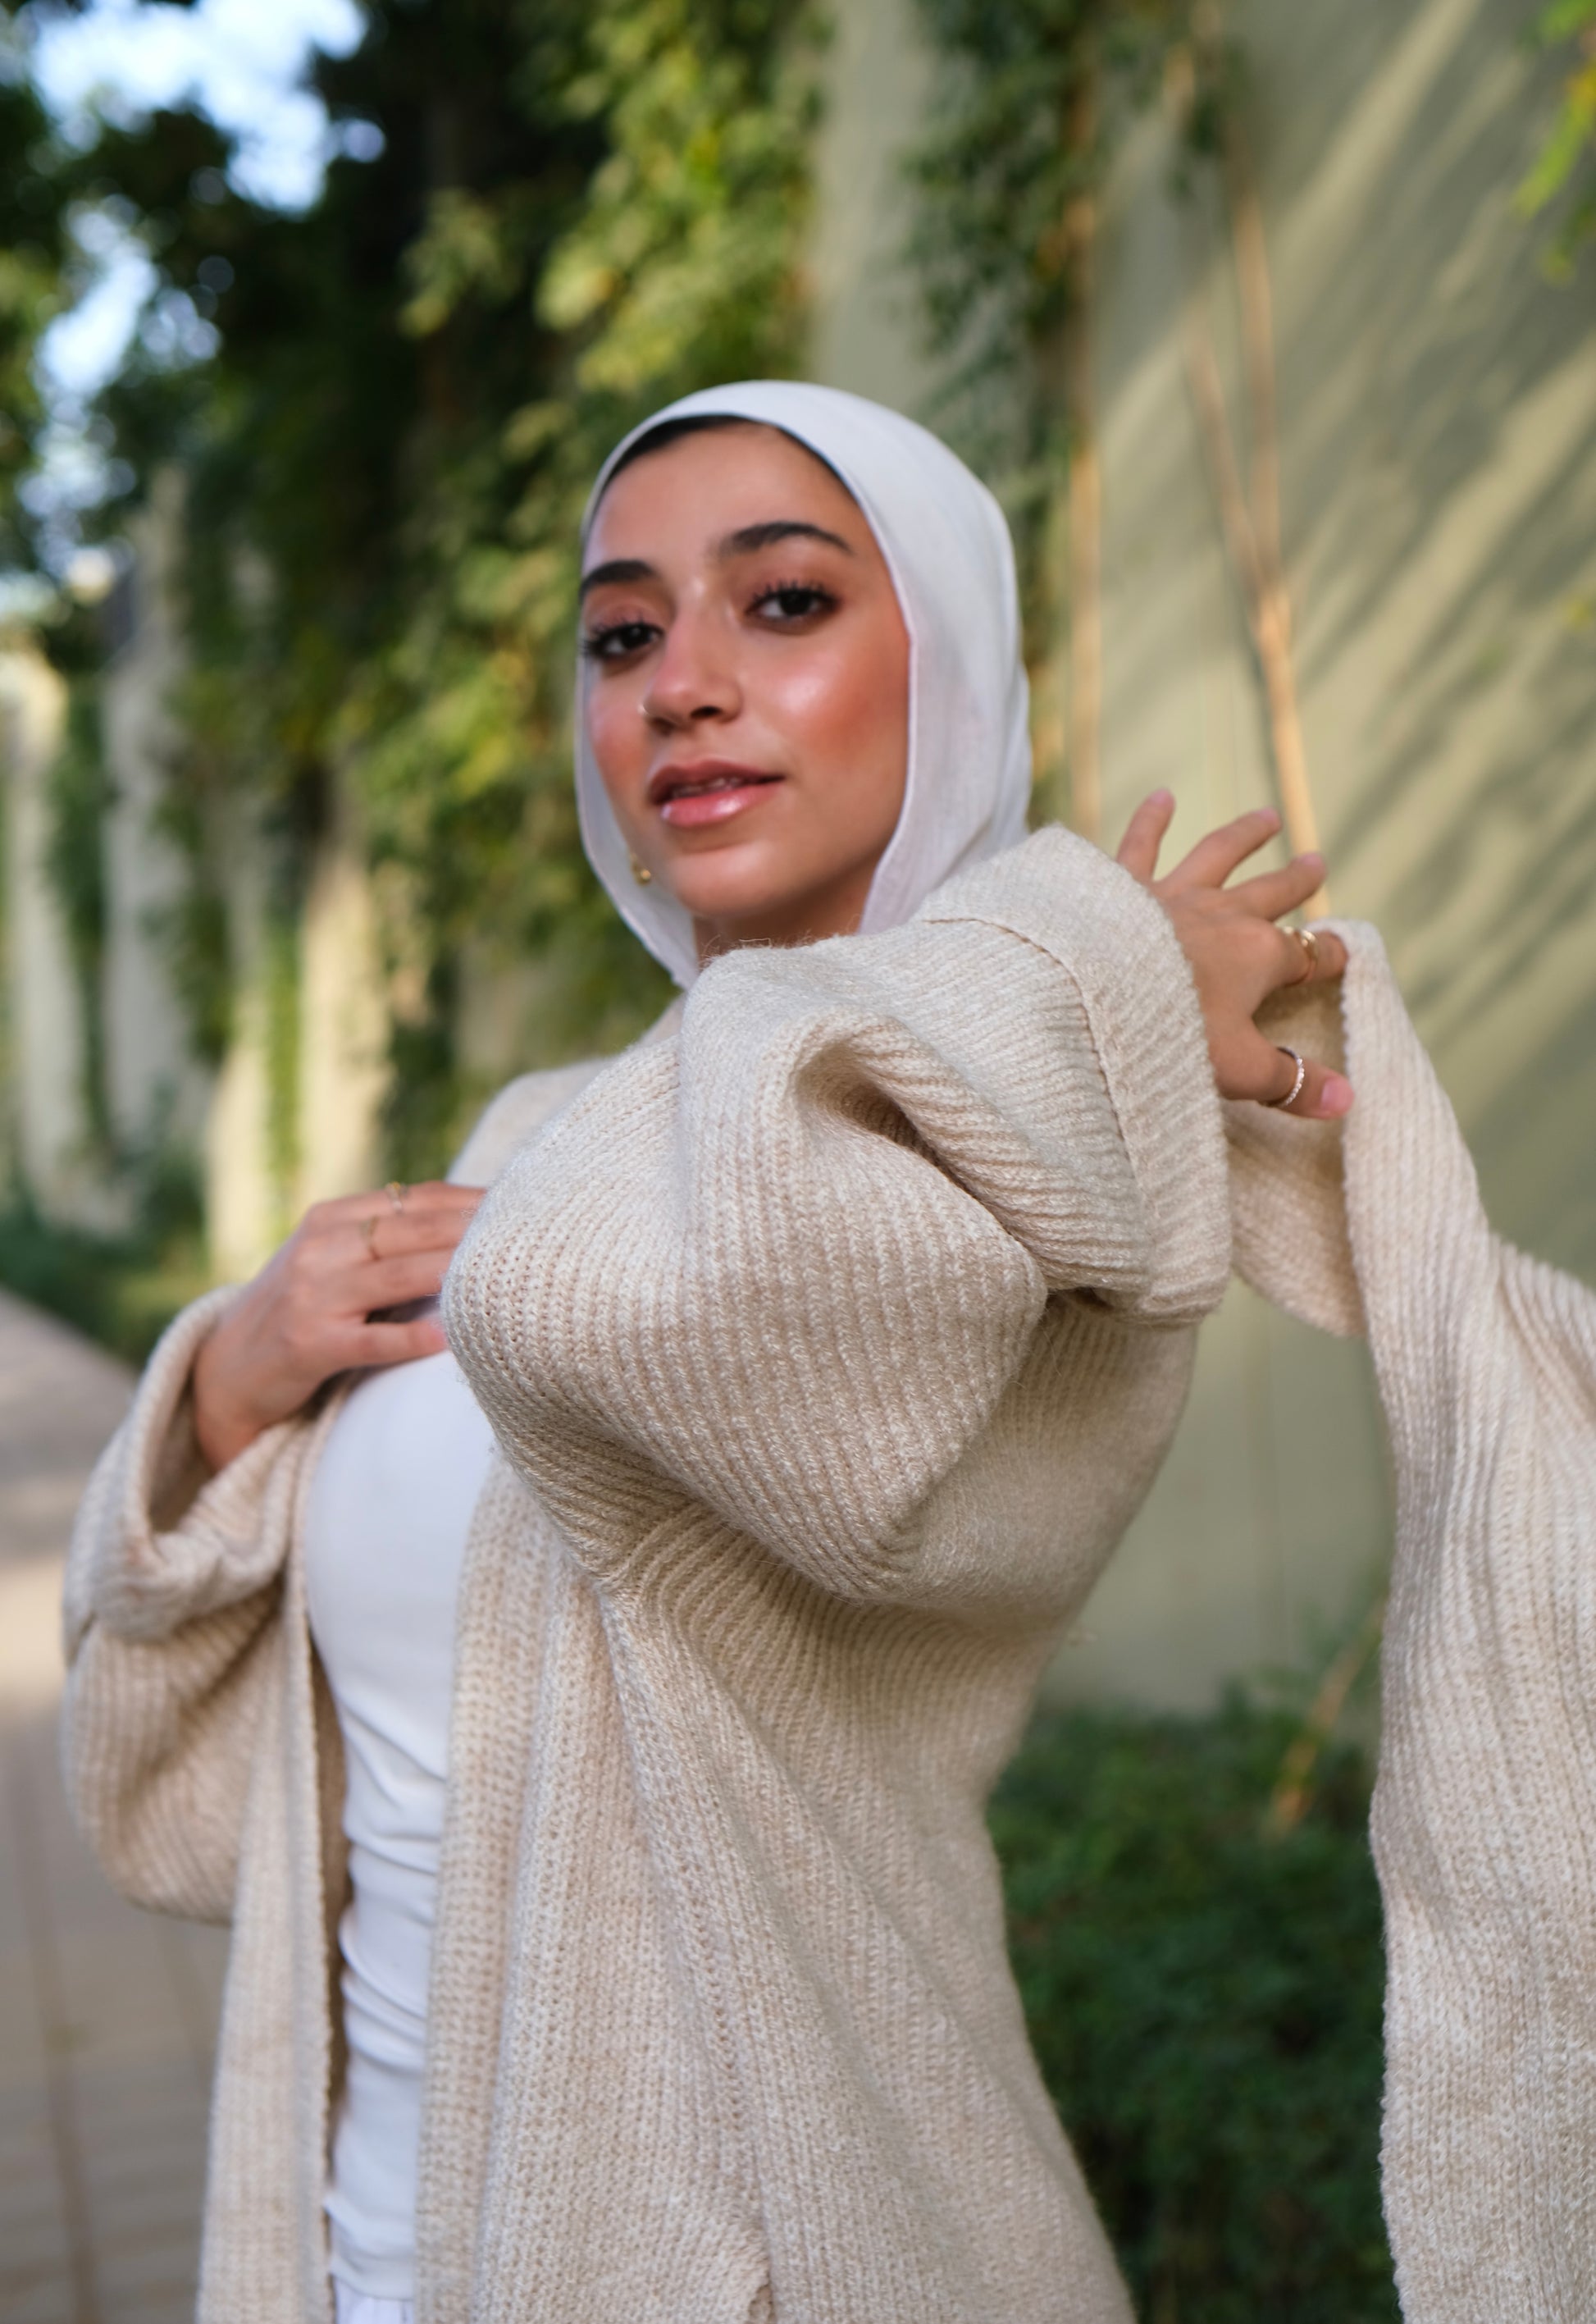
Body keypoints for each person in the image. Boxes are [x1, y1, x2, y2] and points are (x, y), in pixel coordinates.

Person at [60, 384, 1596, 2324]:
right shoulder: (543, 1138)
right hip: (352, 2263)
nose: (682, 684)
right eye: (624, 635)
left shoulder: (1043, 1170)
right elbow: (177, 1798)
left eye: (782, 603)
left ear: (942, 667)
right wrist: (224, 1385)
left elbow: (669, 1317)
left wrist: (1079, 983)